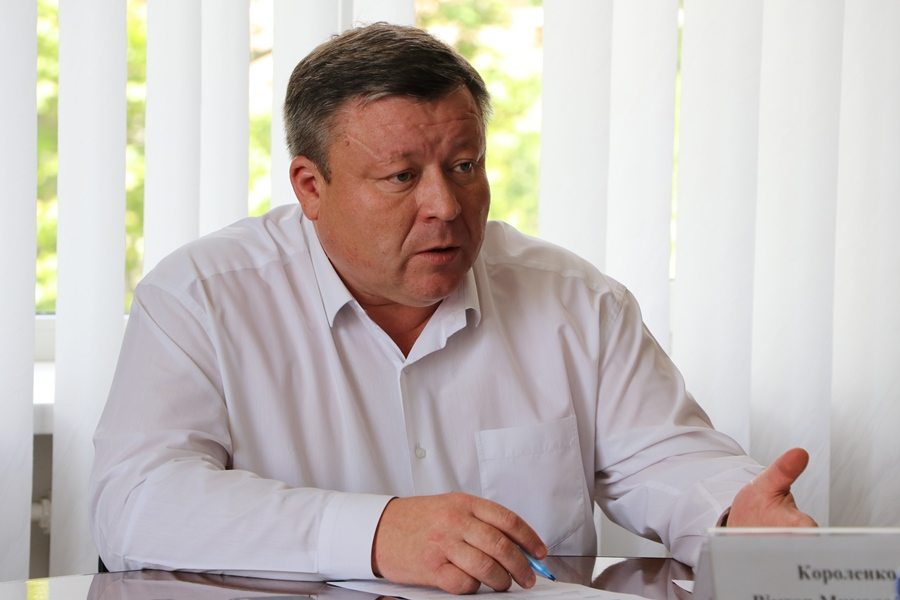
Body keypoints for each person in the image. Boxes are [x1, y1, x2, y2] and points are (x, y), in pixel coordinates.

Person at [89, 22, 815, 595]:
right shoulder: (202, 297)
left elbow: (665, 457)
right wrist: (376, 532)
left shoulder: (574, 300)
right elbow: (137, 502)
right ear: (310, 186)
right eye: (401, 177)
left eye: (464, 166)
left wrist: (734, 517)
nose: (444, 205)